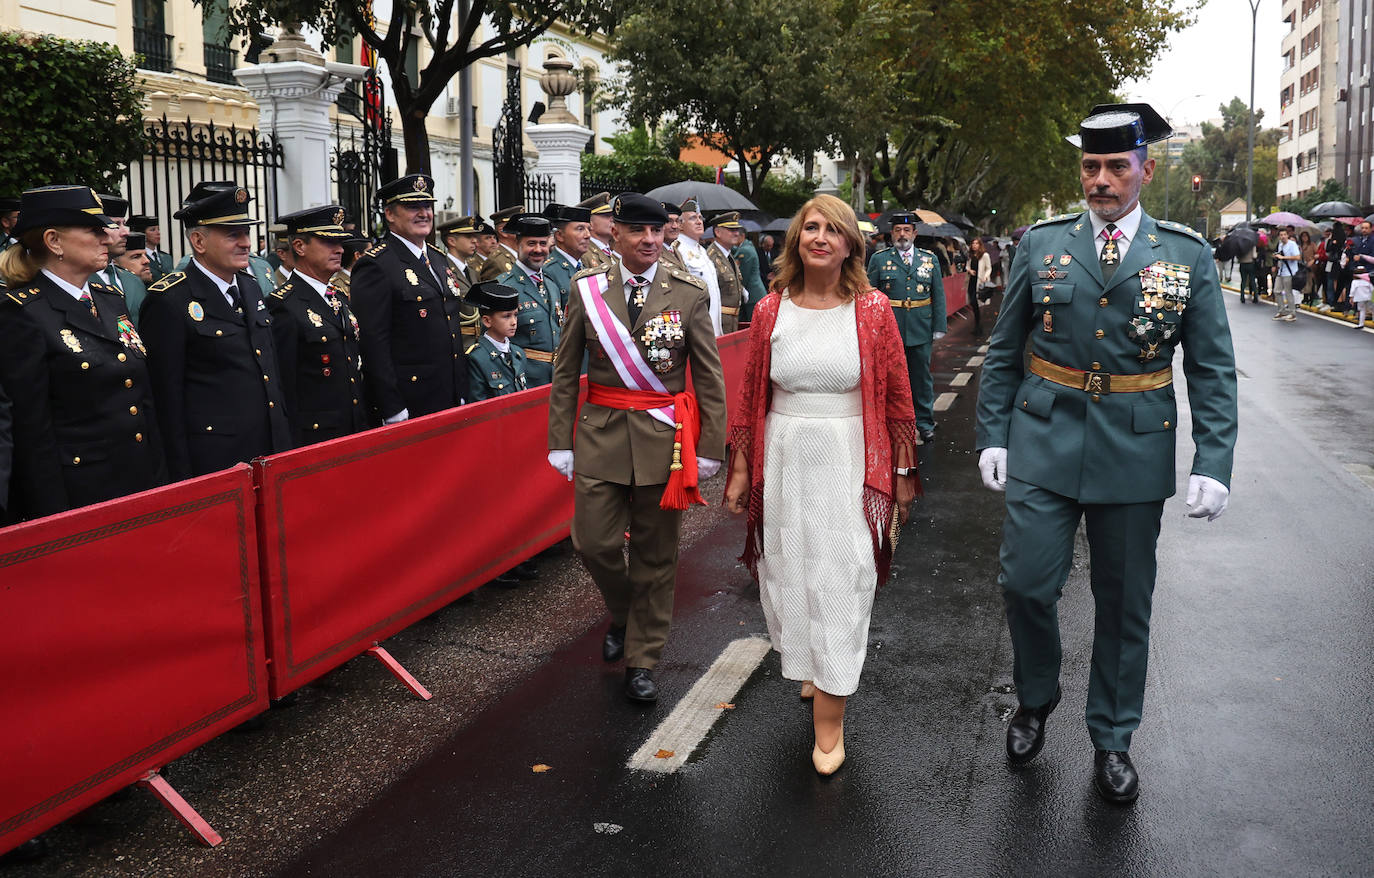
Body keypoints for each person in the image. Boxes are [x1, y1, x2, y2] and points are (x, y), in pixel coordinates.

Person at [975, 103, 1238, 805]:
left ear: (1146, 170)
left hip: (1133, 444)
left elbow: (1211, 367)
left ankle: (1114, 737)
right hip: (1044, 434)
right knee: (1026, 583)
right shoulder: (1044, 244)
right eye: (1090, 166)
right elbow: (1005, 350)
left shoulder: (1184, 253)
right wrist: (993, 433)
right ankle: (1036, 698)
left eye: (1116, 166)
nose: (1101, 180)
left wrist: (1213, 459)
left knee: (1124, 605)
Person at [724, 194, 918, 775]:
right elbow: (752, 395)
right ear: (796, 240)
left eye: (833, 229)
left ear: (850, 245)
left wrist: (903, 474)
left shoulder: (875, 310)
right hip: (784, 457)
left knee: (843, 573)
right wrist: (740, 470)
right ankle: (812, 664)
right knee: (789, 570)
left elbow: (897, 394)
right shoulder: (768, 311)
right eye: (811, 227)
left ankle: (830, 718)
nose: (821, 237)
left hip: (849, 459)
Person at [546, 193, 727, 704]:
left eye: (657, 233)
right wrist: (560, 440)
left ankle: (642, 659)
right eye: (638, 232)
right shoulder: (587, 290)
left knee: (655, 555)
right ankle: (627, 617)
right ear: (616, 235)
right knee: (593, 543)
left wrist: (710, 444)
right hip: (600, 433)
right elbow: (565, 372)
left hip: (663, 442)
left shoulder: (688, 292)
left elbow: (709, 378)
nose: (650, 241)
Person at [0, 185, 167, 520]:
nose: (107, 238)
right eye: (94, 230)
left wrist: (160, 484)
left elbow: (142, 398)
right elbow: (33, 434)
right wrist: (54, 519)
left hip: (137, 483)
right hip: (81, 496)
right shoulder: (22, 313)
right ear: (54, 241)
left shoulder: (109, 298)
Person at [140, 182, 292, 480]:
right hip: (215, 462)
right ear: (198, 240)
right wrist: (182, 479)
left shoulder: (249, 286)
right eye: (233, 234)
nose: (246, 243)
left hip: (269, 450)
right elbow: (166, 402)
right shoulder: (170, 300)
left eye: (246, 233)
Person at [350, 174, 471, 424]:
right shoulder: (376, 266)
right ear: (390, 214)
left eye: (427, 206)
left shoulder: (438, 259)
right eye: (413, 207)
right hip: (410, 402)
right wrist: (392, 408)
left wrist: (460, 391)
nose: (424, 213)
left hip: (449, 395)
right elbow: (374, 344)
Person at [266, 204, 369, 446]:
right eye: (328, 242)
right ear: (299, 246)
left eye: (340, 242)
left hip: (352, 426)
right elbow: (285, 388)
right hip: (315, 438)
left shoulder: (337, 296)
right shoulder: (283, 305)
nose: (340, 249)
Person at [867, 211, 946, 443]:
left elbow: (938, 295)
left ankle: (924, 422)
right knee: (890, 378)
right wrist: (872, 328)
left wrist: (939, 325)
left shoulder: (929, 259)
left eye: (907, 230)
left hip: (920, 328)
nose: (902, 234)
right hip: (889, 329)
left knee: (921, 379)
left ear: (915, 233)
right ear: (891, 234)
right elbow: (870, 296)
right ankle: (890, 422)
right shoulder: (879, 259)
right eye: (898, 230)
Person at [498, 213, 562, 388]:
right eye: (531, 243)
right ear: (518, 244)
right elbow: (493, 344)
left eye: (543, 243)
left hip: (555, 380)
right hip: (524, 382)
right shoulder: (504, 287)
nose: (538, 250)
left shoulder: (551, 285)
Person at [465, 280, 528, 400]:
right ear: (487, 321)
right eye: (506, 316)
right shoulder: (476, 358)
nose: (514, 322)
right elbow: (477, 406)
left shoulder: (518, 353)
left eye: (515, 315)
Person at [671, 198, 723, 334]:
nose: (699, 222)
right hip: (697, 327)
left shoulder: (701, 250)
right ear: (680, 225)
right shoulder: (678, 250)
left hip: (712, 326)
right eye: (693, 218)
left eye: (700, 217)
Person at [542, 203, 592, 301]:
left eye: (589, 229)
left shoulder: (584, 267)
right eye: (580, 229)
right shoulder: (549, 271)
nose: (588, 235)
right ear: (559, 235)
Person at [707, 212, 747, 333]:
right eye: (731, 229)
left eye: (737, 229)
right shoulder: (711, 257)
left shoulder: (728, 255)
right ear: (717, 232)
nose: (736, 233)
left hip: (732, 320)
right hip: (719, 322)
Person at [437, 215, 482, 296]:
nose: (475, 240)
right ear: (451, 241)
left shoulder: (471, 271)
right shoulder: (443, 270)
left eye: (474, 236)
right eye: (468, 236)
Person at [478, 205, 524, 282]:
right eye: (519, 226)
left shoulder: (521, 255)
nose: (524, 229)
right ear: (503, 231)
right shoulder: (496, 261)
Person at [732, 230, 767, 323]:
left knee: (752, 325)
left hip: (752, 294)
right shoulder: (746, 247)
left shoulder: (745, 250)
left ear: (742, 236)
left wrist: (739, 290)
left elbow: (743, 275)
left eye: (736, 235)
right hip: (753, 292)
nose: (734, 237)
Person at [576, 191, 616, 271]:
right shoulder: (584, 253)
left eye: (612, 216)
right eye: (606, 216)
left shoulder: (613, 251)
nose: (612, 219)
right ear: (590, 223)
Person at [130, 214, 173, 281]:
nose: (158, 233)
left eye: (158, 229)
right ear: (143, 233)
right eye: (152, 230)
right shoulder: (139, 258)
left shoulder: (166, 257)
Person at [1272, 228, 1300, 322]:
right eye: (1281, 235)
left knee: (1288, 292)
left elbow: (1297, 257)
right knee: (1276, 290)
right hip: (1281, 271)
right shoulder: (1280, 245)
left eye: (1284, 234)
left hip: (1289, 271)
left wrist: (1284, 257)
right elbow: (1280, 257)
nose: (1283, 236)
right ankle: (1281, 310)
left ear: (1287, 235)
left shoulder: (1292, 244)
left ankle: (1292, 313)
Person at [965, 236, 990, 333]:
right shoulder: (970, 255)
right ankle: (977, 324)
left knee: (978, 304)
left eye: (977, 243)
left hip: (980, 283)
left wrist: (986, 276)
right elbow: (967, 266)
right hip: (971, 282)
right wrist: (969, 270)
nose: (974, 245)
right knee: (973, 303)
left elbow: (988, 268)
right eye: (973, 243)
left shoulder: (985, 255)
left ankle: (978, 326)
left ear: (980, 245)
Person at [331, 236, 368, 301]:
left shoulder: (365, 279)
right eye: (369, 252)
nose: (373, 256)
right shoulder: (338, 284)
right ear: (358, 255)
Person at [659, 202, 686, 271]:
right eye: (669, 221)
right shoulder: (653, 252)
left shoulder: (675, 250)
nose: (675, 226)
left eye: (677, 221)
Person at [1237, 239, 1257, 303]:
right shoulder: (1252, 245)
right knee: (1252, 280)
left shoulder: (1240, 246)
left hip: (1242, 264)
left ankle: (1242, 297)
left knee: (1243, 281)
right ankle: (1255, 297)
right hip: (1250, 263)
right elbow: (1254, 255)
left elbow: (1238, 257)